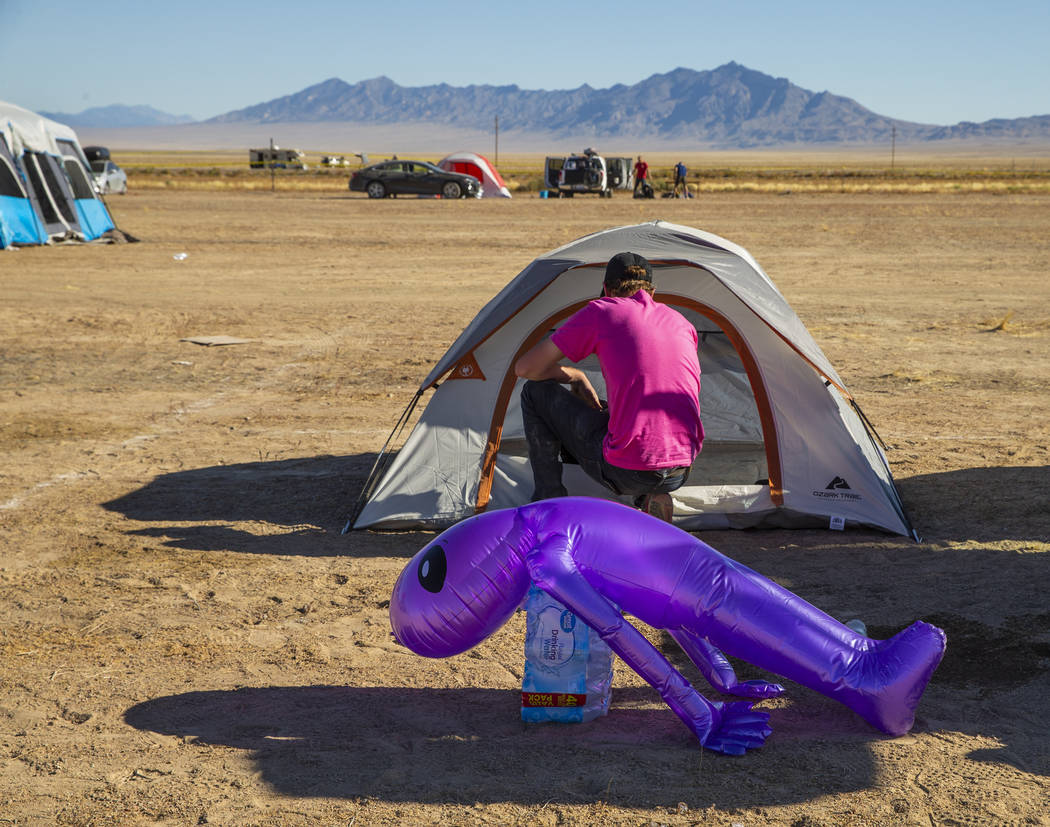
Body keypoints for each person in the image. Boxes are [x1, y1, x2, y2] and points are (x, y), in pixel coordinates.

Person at [514, 252, 703, 522]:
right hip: (680, 469)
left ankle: (548, 503)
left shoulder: (602, 311)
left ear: (607, 289)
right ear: (653, 291)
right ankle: (650, 495)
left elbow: (525, 368)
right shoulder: (681, 322)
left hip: (627, 471)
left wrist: (575, 377)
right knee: (623, 414)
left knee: (534, 393)